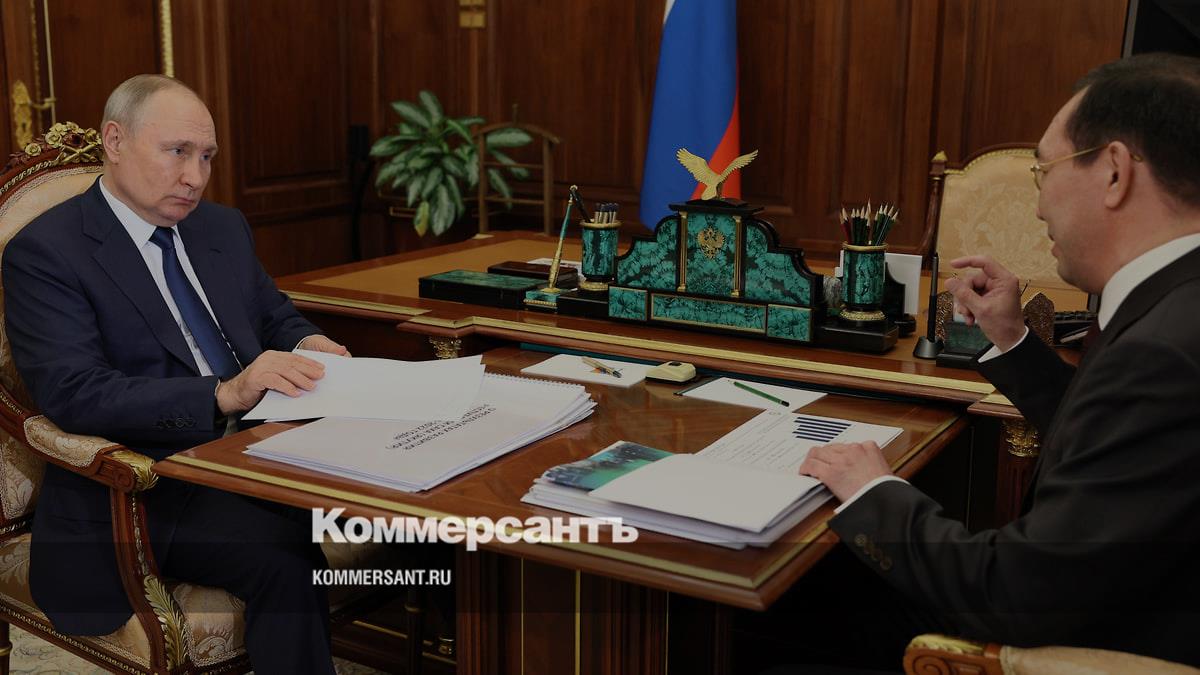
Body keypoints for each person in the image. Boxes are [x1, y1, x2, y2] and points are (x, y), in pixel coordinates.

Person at [797, 52, 1200, 667]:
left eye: (1044, 171)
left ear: (1115, 172)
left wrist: (874, 491)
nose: (1038, 207)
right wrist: (1011, 339)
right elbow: (1113, 440)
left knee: (804, 610)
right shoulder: (1176, 301)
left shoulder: (1162, 353)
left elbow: (1016, 596)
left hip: (1090, 638)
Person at [3, 74, 349, 673]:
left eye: (206, 156)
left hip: (251, 453)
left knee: (411, 514)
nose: (195, 176)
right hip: (144, 485)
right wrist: (224, 394)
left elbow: (273, 315)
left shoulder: (220, 228)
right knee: (289, 558)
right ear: (115, 141)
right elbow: (74, 393)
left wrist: (308, 342)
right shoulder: (47, 252)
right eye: (177, 152)